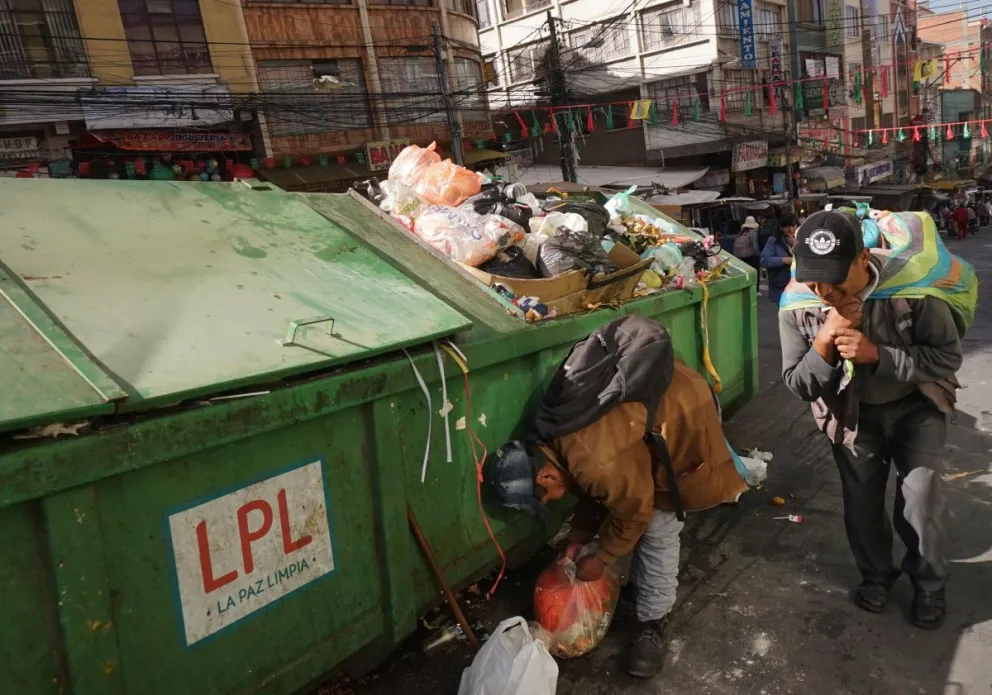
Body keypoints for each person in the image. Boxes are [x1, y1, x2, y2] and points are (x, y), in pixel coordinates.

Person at [486, 352, 747, 678]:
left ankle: (653, 621)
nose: (550, 502)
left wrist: (601, 558)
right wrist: (578, 539)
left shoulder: (592, 457)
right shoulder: (551, 441)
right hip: (654, 416)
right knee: (630, 507)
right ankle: (641, 590)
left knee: (656, 525)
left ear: (544, 477)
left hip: (685, 414)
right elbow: (596, 490)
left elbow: (634, 510)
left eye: (545, 499)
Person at [778, 209, 966, 631]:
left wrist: (877, 355)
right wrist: (826, 337)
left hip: (916, 406)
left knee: (921, 496)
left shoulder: (914, 292)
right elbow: (798, 383)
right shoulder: (798, 304)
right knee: (861, 503)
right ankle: (876, 575)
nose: (824, 290)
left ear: (863, 259)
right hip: (850, 417)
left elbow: (946, 357)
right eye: (813, 278)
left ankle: (929, 583)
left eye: (835, 277)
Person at [760, 213, 798, 304]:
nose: (791, 229)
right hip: (781, 287)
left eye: (793, 226)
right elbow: (764, 261)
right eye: (787, 227)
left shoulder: (803, 239)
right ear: (781, 228)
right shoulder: (773, 241)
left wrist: (796, 245)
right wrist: (783, 260)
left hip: (801, 286)